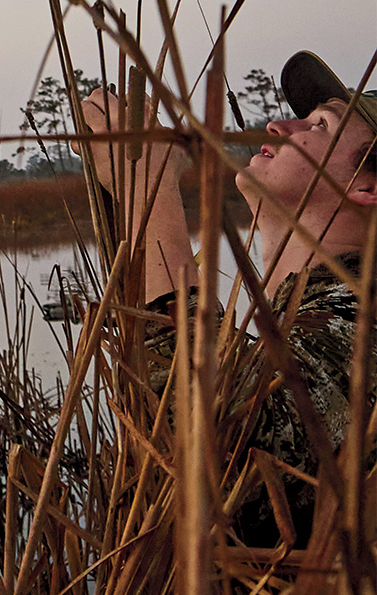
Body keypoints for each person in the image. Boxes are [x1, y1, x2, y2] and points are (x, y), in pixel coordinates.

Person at [79, 50, 377, 543]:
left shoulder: (364, 322)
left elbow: (214, 457)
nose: (279, 125)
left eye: (319, 126)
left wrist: (147, 191)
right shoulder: (320, 319)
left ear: (366, 186)